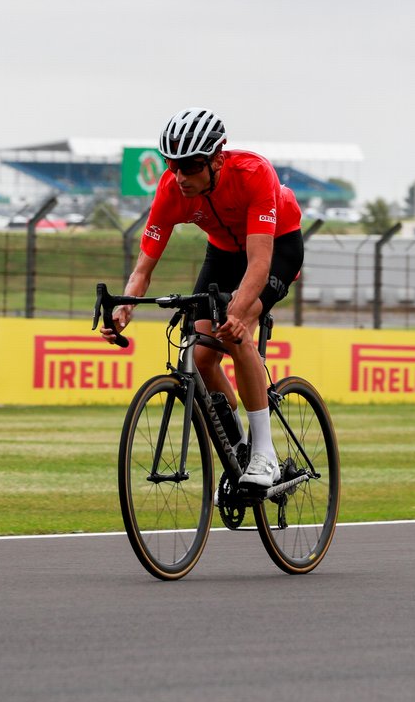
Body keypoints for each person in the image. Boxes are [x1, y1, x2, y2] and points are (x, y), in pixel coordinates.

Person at [100, 107, 304, 494]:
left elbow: (259, 264)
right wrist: (126, 307)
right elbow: (143, 268)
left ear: (217, 159)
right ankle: (240, 448)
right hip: (224, 252)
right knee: (200, 355)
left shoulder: (253, 173)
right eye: (172, 165)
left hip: (277, 247)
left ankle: (266, 453)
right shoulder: (170, 190)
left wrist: (240, 312)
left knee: (237, 331)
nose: (181, 177)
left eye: (191, 166)